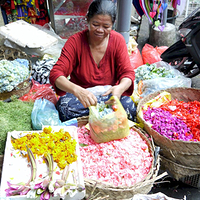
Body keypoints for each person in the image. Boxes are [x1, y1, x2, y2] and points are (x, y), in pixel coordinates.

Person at [49, 0, 136, 122]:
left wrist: (119, 88)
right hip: (81, 98)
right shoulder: (75, 42)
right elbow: (56, 74)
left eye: (106, 26)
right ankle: (103, 122)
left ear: (112, 25)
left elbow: (128, 73)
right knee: (65, 109)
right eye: (95, 24)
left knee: (130, 108)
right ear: (87, 20)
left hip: (108, 95)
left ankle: (98, 122)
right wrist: (77, 90)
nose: (100, 30)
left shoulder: (118, 40)